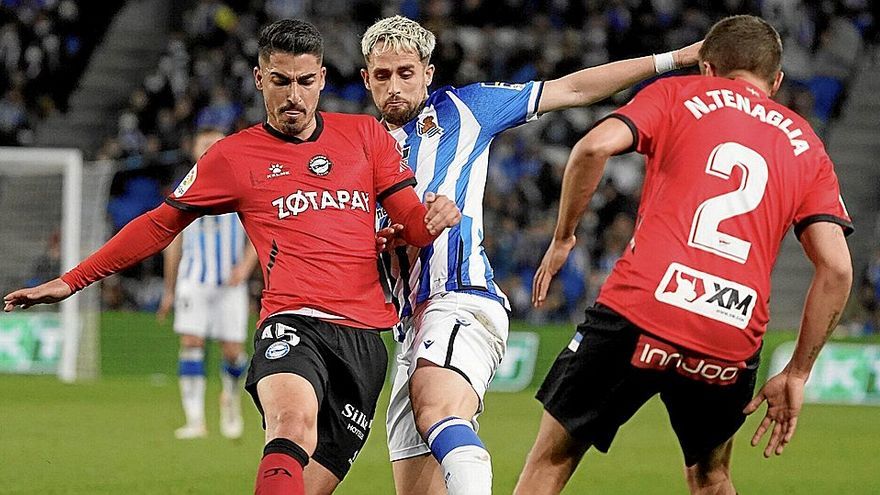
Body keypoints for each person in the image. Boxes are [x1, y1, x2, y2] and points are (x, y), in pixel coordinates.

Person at [4, 19, 462, 495]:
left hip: (365, 340)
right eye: (281, 81)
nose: (294, 97)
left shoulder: (366, 136)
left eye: (306, 82)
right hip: (293, 322)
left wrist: (431, 219)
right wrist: (74, 280)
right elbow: (160, 224)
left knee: (308, 485)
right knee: (291, 423)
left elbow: (410, 223)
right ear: (260, 79)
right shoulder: (234, 157)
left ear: (322, 79)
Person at [359, 14, 702, 495]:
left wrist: (675, 59)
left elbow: (575, 90)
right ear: (365, 78)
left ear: (428, 73)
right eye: (382, 75)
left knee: (437, 408)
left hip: (459, 298)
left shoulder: (466, 107)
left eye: (405, 73)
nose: (394, 86)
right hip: (408, 325)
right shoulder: (354, 145)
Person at [515, 15, 853, 495]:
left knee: (553, 457)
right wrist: (797, 372)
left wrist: (564, 236)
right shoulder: (809, 147)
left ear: (707, 68)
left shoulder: (678, 94)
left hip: (642, 306)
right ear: (776, 82)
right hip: (730, 332)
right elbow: (837, 269)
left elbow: (593, 148)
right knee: (712, 477)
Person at [155, 127, 259, 440]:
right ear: (194, 149)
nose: (209, 149)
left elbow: (258, 231)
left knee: (233, 353)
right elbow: (173, 241)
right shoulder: (183, 189)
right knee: (191, 344)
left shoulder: (242, 183)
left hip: (230, 283)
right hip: (193, 281)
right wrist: (169, 290)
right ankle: (195, 419)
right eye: (204, 144)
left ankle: (229, 399)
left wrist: (245, 266)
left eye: (215, 144)